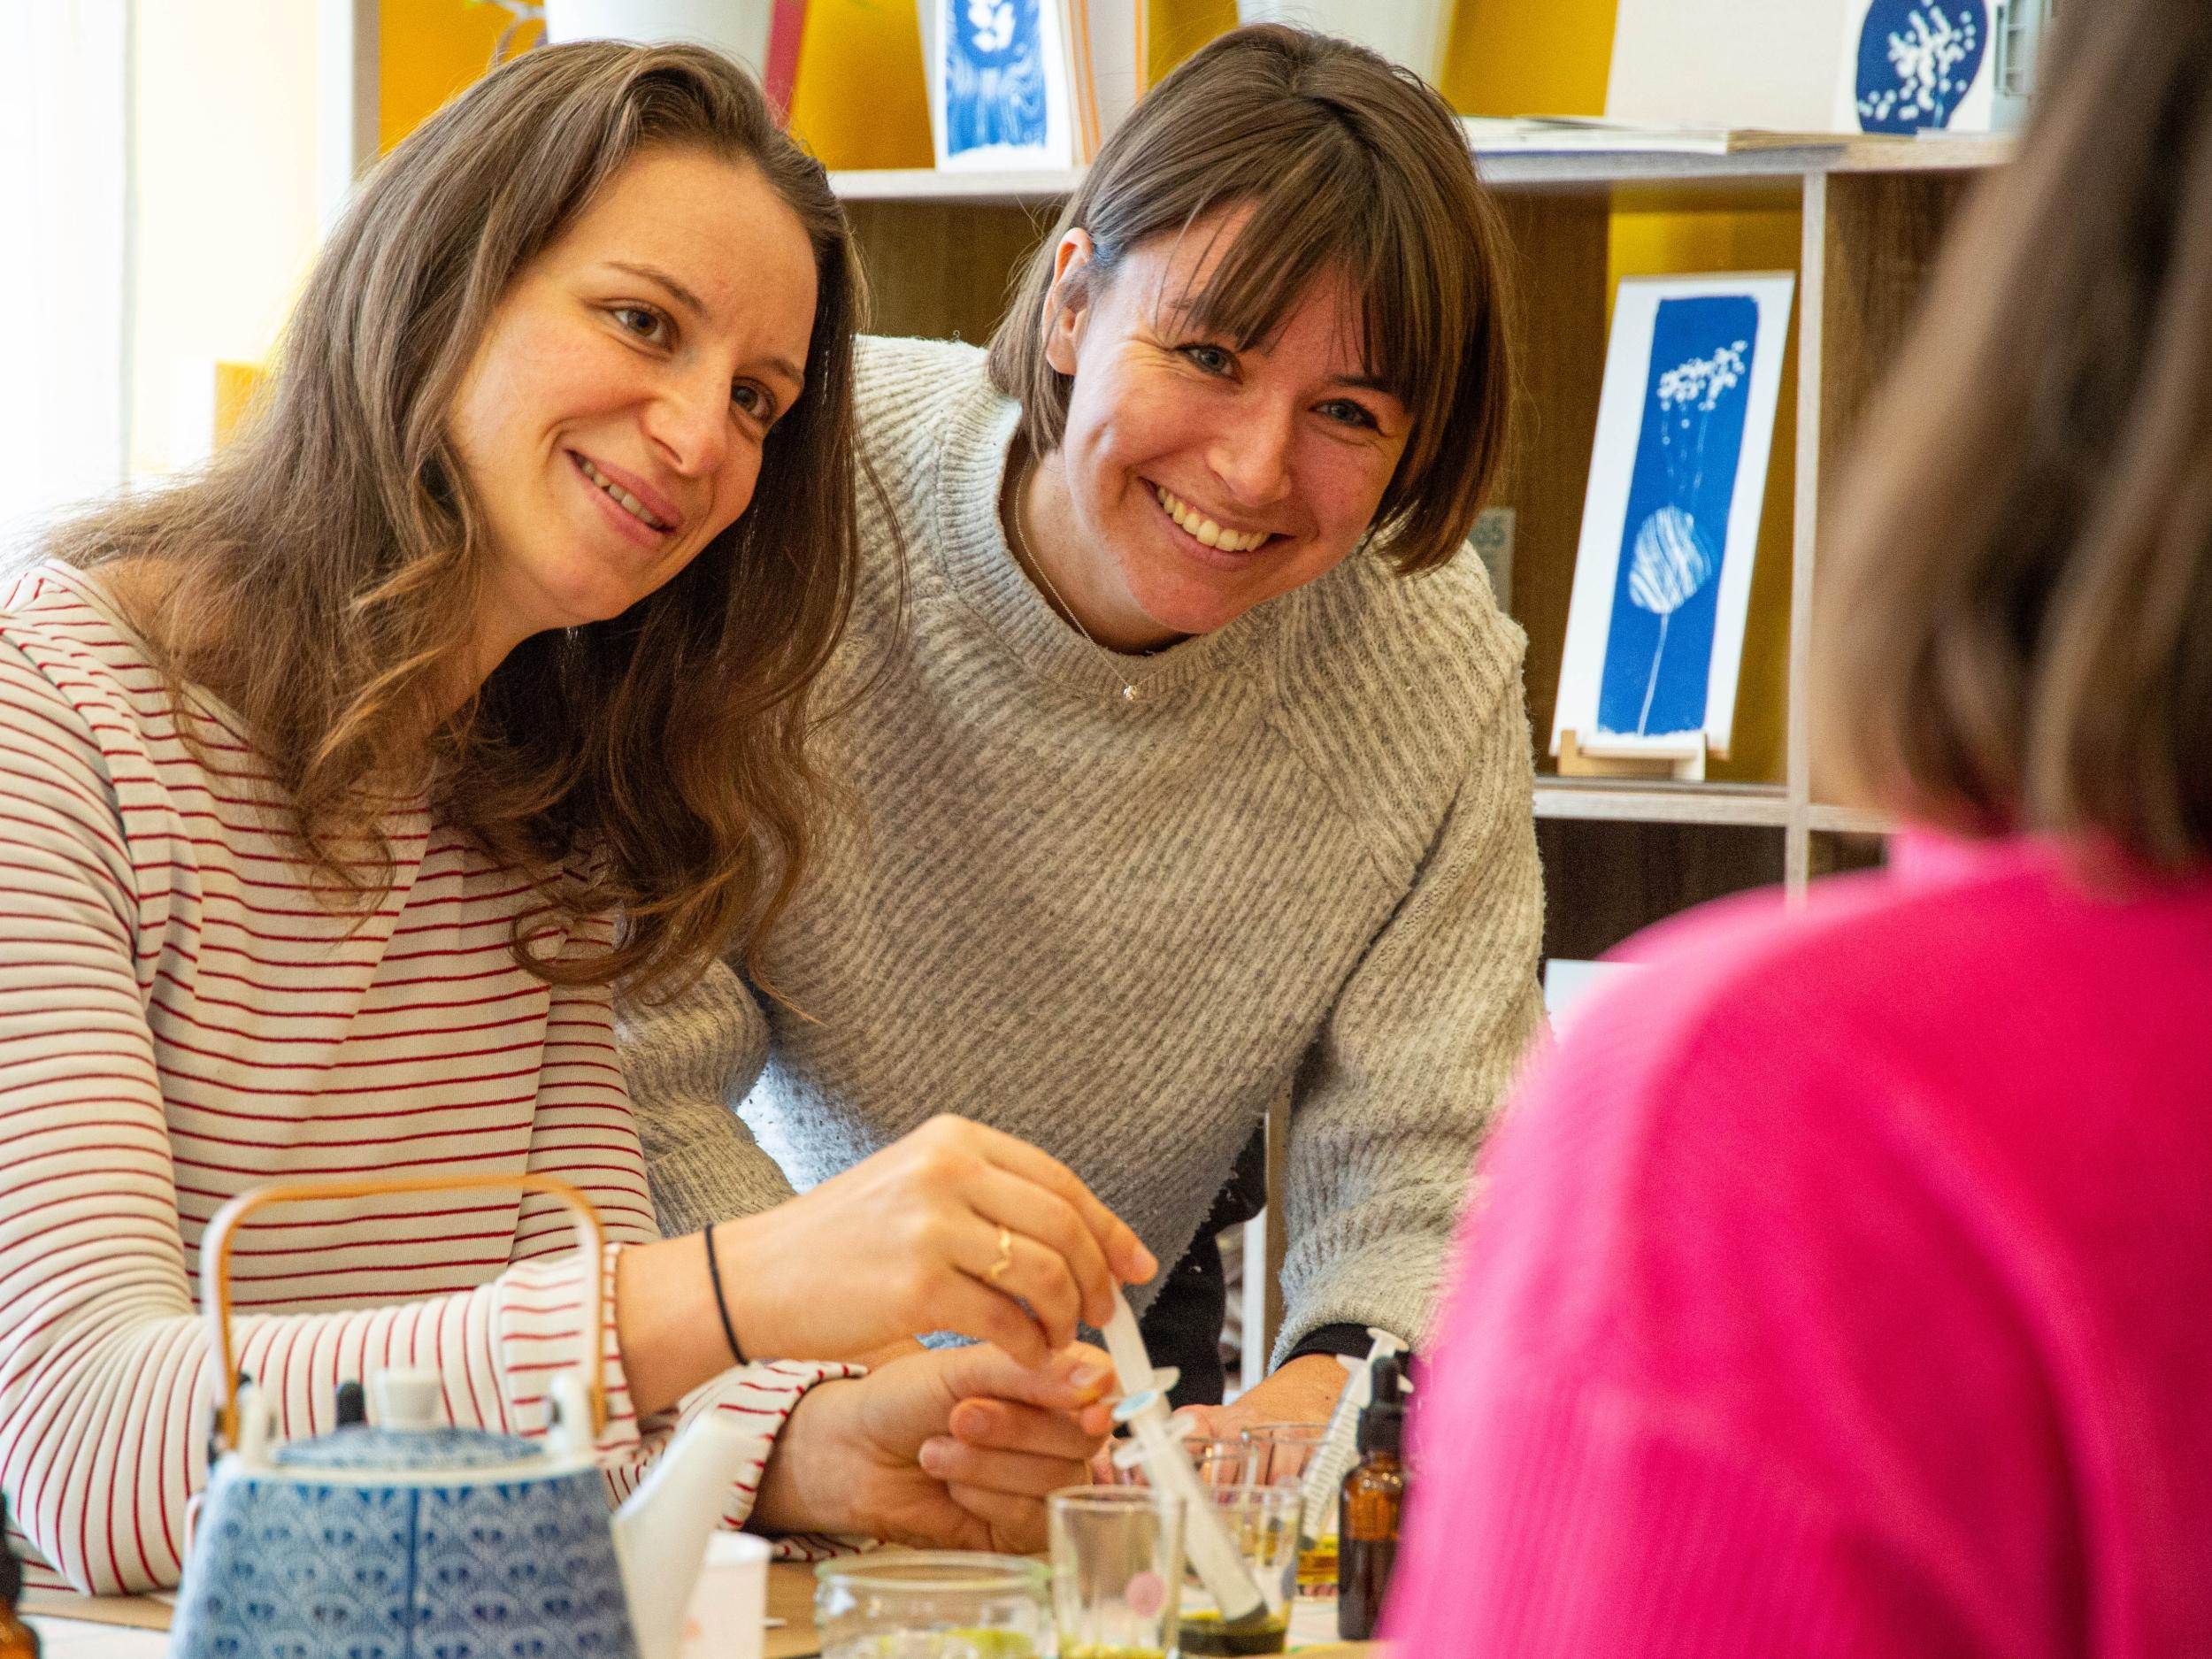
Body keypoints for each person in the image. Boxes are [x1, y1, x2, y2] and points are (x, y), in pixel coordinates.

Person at [0, 42, 1156, 1596]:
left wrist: (812, 1443)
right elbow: (88, 1451)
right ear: (440, 285)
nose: (699, 441)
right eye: (641, 322)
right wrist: (752, 1286)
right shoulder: (50, 721)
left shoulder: (549, 802)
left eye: (758, 398)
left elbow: (557, 1397)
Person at [1385, 1, 2212, 1652]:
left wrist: (1338, 1356)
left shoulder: (1781, 1119)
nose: (1264, 463)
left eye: (1356, 410)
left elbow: (1411, 1119)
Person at [618, 22, 1544, 1432]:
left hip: (1118, 1330)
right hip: (731, 1301)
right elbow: (637, 1044)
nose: (1252, 467)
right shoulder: (798, 482)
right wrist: (837, 1394)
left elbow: (1440, 1172)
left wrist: (1295, 1423)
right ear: (1070, 305)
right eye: (1210, 354)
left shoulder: (1430, 667)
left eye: (1346, 411)